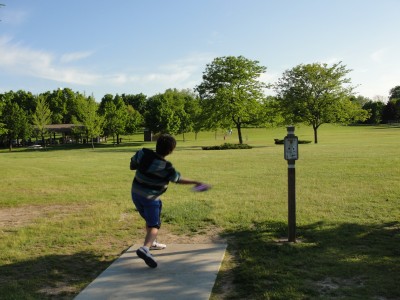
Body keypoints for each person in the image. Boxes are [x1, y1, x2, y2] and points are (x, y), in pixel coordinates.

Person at [130, 134, 206, 268]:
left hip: (136, 194)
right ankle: (145, 249)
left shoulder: (143, 153)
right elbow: (178, 179)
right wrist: (195, 182)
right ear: (171, 150)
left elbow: (132, 164)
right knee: (154, 225)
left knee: (149, 219)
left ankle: (152, 243)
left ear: (156, 144)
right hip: (151, 199)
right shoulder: (167, 168)